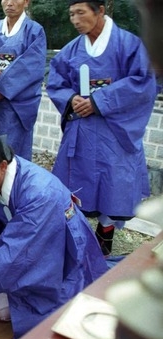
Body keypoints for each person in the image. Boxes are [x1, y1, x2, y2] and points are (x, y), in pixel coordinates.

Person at [0, 112, 108, 339]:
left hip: (58, 252)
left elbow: (19, 250)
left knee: (54, 318)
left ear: (1, 166)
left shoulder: (40, 193)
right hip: (21, 244)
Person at [46, 0, 158, 255]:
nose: (75, 20)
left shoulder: (129, 45)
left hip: (114, 131)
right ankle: (75, 233)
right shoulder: (71, 50)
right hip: (82, 130)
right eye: (71, 14)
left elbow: (143, 83)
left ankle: (105, 232)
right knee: (75, 182)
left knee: (113, 183)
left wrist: (99, 101)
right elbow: (56, 82)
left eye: (81, 13)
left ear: (100, 11)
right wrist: (70, 99)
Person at [0, 0, 47, 161]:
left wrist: (3, 89)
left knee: (12, 155)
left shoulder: (34, 31)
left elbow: (31, 66)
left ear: (26, 2)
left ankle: (14, 186)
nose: (9, 3)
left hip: (16, 106)